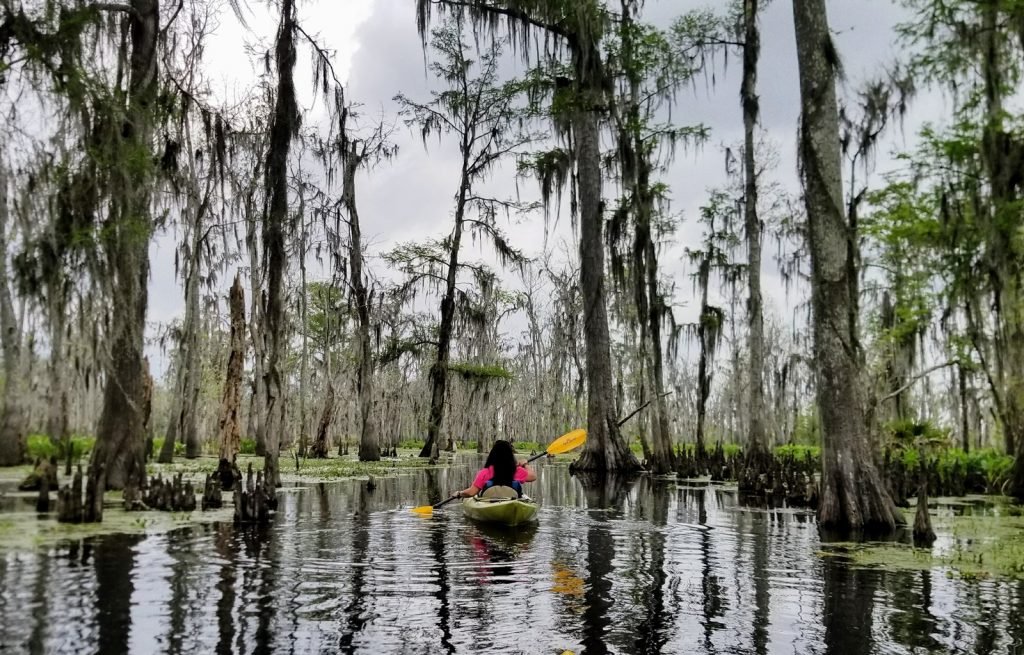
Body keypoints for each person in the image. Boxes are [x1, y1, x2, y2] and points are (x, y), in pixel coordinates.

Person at [452, 440, 537, 499]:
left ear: (493, 455)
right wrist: (525, 464)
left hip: (489, 502)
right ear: (510, 456)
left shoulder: (484, 473)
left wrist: (459, 493)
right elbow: (533, 476)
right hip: (512, 500)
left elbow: (471, 492)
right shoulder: (517, 471)